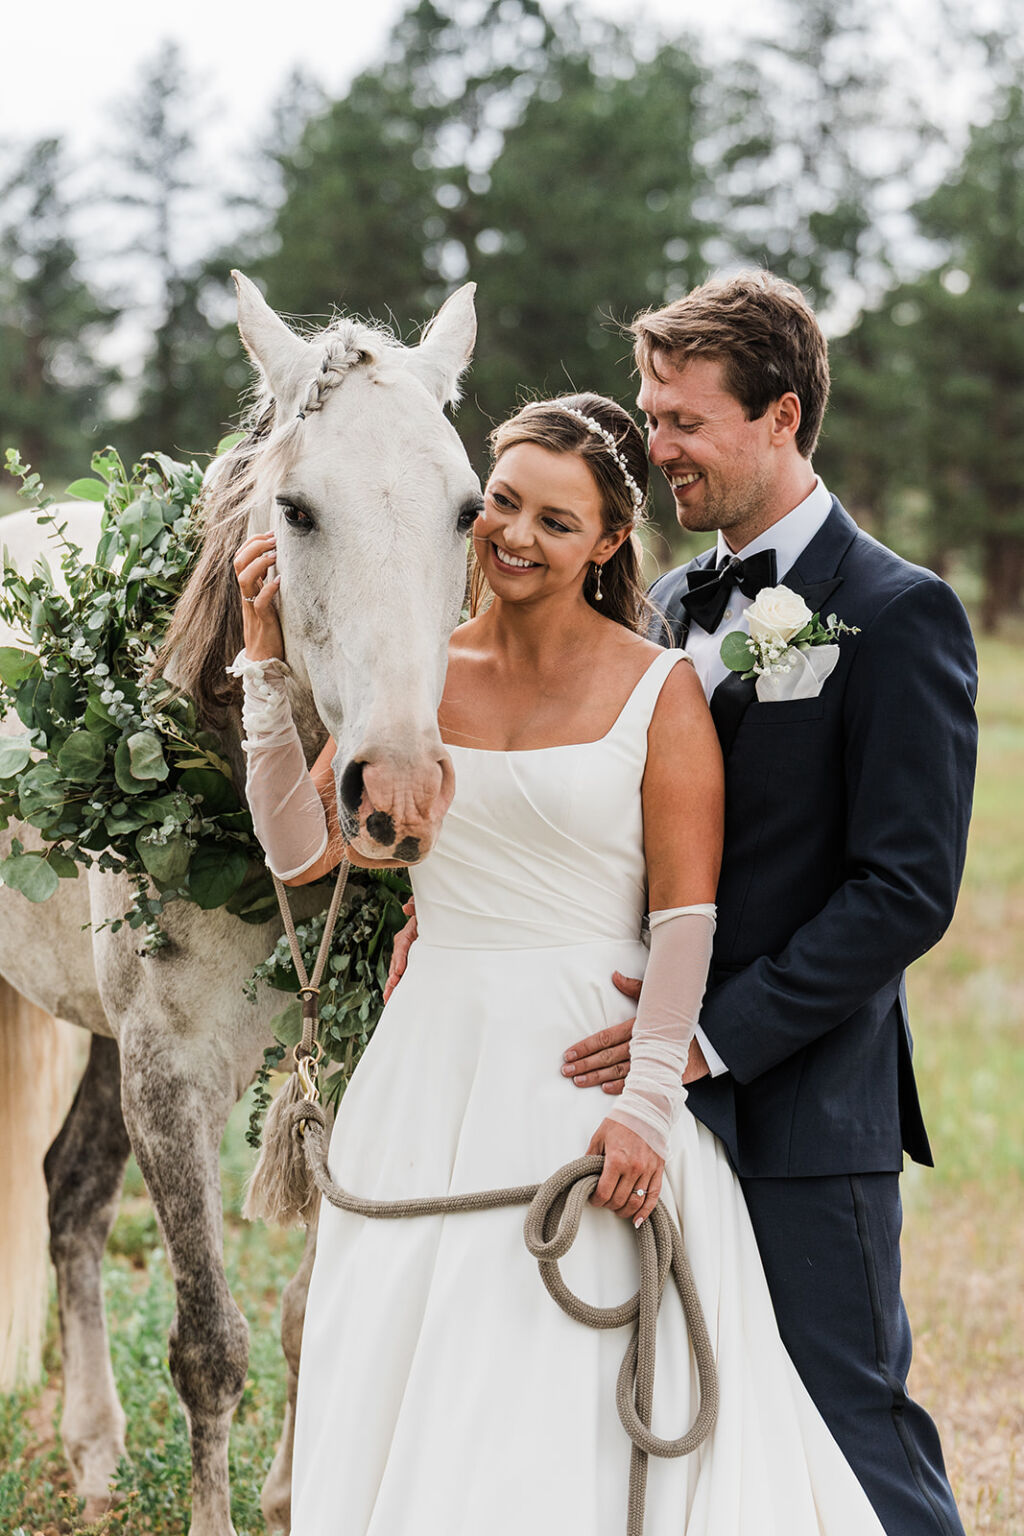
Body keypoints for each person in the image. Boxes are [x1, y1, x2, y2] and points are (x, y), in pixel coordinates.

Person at [234, 391, 889, 1535]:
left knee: (550, 1377)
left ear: (606, 542)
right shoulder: (418, 677)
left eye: (554, 517)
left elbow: (686, 919)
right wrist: (263, 671)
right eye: (500, 504)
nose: (516, 536)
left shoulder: (658, 686)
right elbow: (301, 851)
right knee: (405, 1354)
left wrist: (646, 1099)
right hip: (430, 1062)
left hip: (585, 1076)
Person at [556, 273, 977, 1536]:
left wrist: (710, 1035)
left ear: (780, 414)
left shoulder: (900, 613)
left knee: (848, 1422)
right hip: (637, 1101)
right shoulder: (669, 606)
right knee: (688, 1410)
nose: (657, 447)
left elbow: (904, 890)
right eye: (650, 414)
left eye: (684, 420)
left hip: (804, 1104)